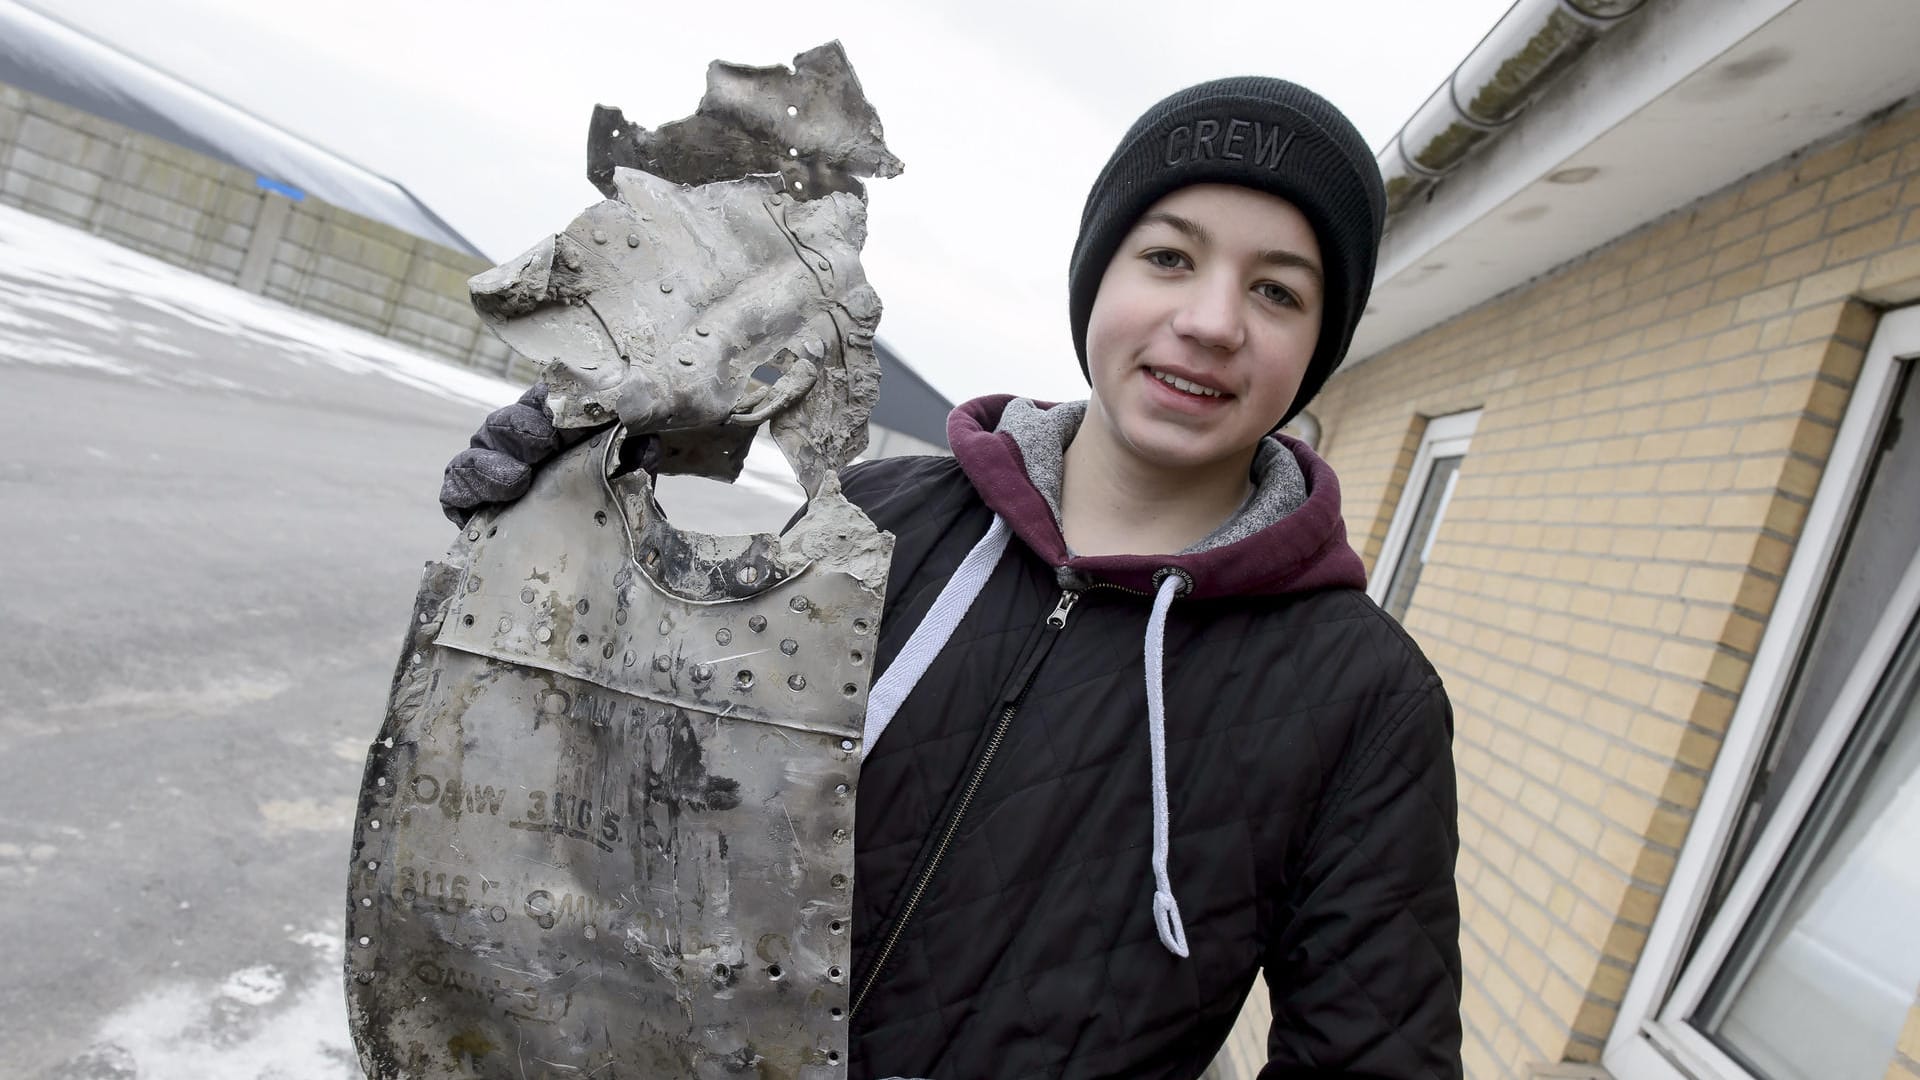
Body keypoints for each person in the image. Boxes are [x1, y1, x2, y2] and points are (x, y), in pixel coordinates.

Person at [443, 77, 1462, 1080]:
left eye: (1276, 289)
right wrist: (554, 549)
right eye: (1168, 256)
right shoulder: (883, 519)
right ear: (1099, 275)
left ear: (1318, 344)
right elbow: (637, 788)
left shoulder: (1363, 700)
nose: (1210, 320)